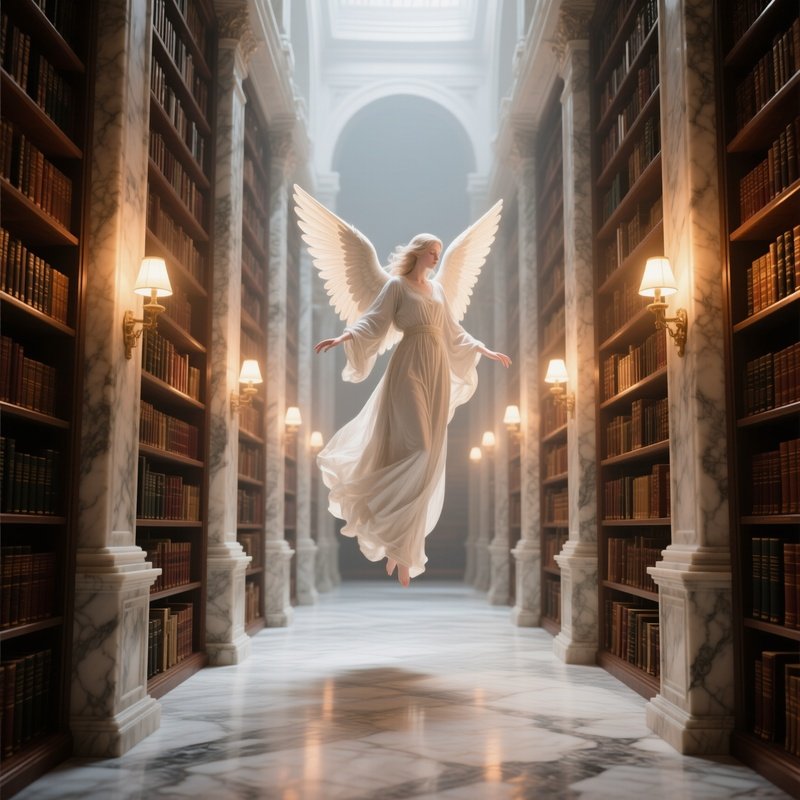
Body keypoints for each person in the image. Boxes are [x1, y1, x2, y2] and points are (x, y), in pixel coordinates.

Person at [294, 186, 510, 587]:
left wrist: (484, 348)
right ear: (419, 252)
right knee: (419, 448)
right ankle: (387, 527)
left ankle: (404, 549)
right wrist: (344, 338)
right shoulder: (395, 286)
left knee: (429, 459)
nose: (437, 256)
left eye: (440, 252)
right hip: (409, 364)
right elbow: (374, 320)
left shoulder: (440, 289)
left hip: (437, 368)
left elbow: (452, 330)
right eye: (433, 251)